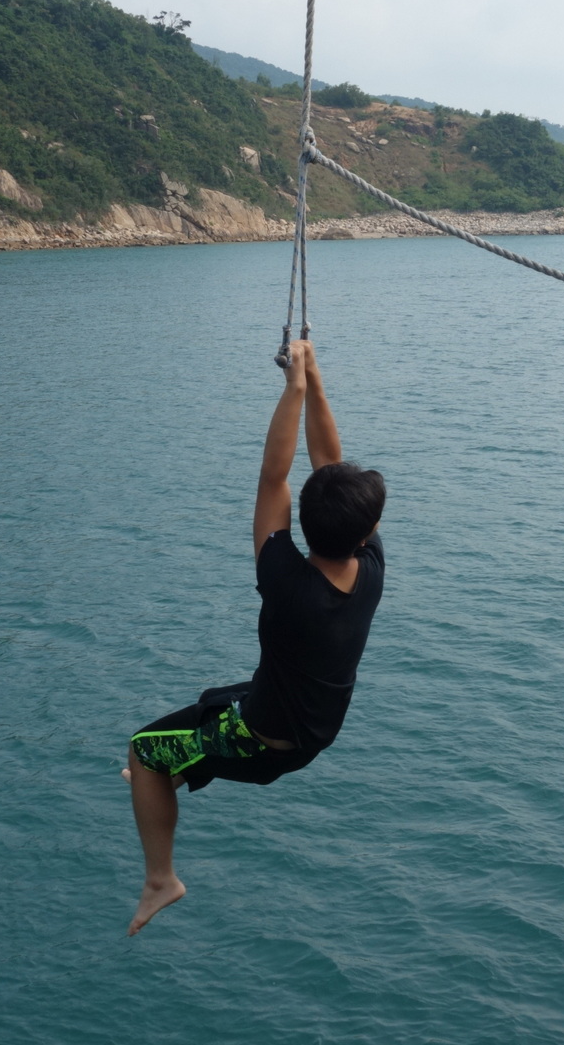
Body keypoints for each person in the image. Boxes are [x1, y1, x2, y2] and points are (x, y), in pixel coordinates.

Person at [122, 339, 386, 935]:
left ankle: (162, 878)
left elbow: (275, 476)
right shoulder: (369, 571)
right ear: (368, 531)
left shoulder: (287, 584)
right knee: (218, 703)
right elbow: (325, 467)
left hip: (261, 743)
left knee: (142, 752)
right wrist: (312, 379)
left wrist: (294, 386)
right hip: (310, 730)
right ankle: (177, 772)